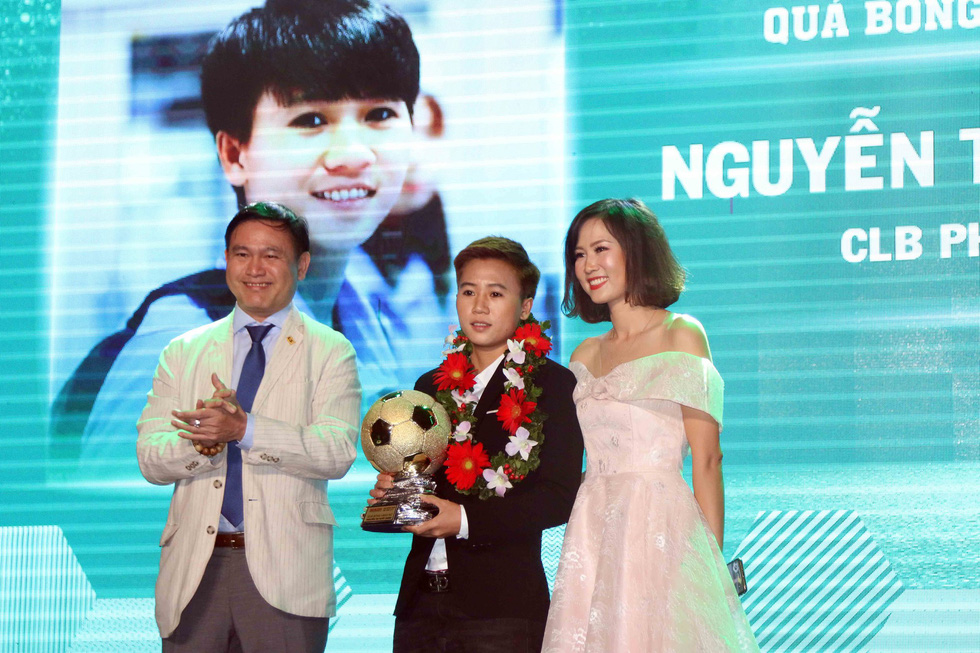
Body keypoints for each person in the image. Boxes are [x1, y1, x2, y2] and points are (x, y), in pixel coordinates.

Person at [50, 0, 453, 476]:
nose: (352, 153)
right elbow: (117, 532)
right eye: (311, 120)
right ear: (235, 152)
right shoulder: (184, 341)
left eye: (380, 114)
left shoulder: (356, 308)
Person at [137, 202, 360, 651]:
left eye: (271, 255)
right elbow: (150, 457)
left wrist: (245, 429)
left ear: (302, 264)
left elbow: (336, 451)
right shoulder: (183, 351)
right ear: (226, 261)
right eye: (242, 254)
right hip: (195, 572)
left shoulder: (332, 350)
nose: (254, 268)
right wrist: (199, 447)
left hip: (287, 572)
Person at [543, 199, 758, 652]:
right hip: (593, 529)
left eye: (601, 249)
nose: (588, 266)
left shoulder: (681, 333)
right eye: (579, 255)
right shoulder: (583, 355)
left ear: (637, 251)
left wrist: (709, 565)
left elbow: (707, 459)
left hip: (660, 523)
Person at [370, 237, 584, 653]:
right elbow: (424, 487)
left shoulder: (553, 386)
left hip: (501, 609)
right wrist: (394, 493)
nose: (479, 305)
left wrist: (465, 520)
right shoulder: (428, 388)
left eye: (495, 293)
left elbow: (559, 497)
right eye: (468, 291)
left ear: (525, 307)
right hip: (419, 607)